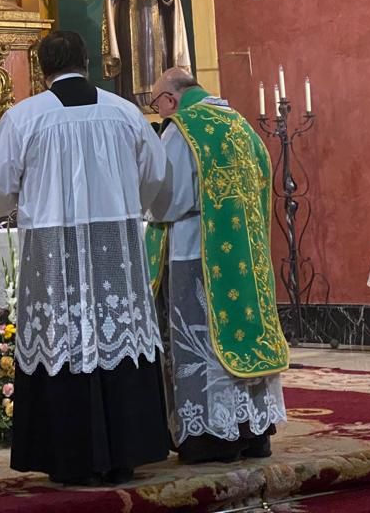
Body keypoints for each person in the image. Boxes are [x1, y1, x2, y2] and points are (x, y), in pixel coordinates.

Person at [0, 30, 170, 485]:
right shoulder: (124, 113)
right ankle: (125, 450)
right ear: (87, 61)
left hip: (52, 247)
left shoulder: (25, 117)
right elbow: (156, 175)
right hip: (114, 247)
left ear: (44, 69)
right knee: (117, 334)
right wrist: (128, 203)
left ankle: (68, 456)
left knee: (61, 336)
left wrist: (20, 200)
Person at [145, 68, 288, 463]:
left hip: (196, 252)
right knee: (241, 333)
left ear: (171, 100)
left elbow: (168, 199)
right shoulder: (240, 125)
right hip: (244, 253)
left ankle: (212, 438)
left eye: (157, 104)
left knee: (202, 340)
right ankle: (253, 430)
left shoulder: (182, 130)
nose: (158, 112)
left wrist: (144, 203)